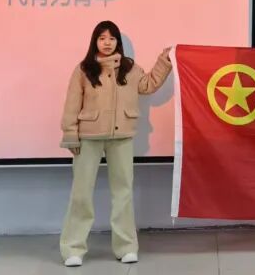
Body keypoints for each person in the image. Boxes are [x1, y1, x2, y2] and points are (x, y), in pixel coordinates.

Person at [59, 20, 172, 267]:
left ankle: (126, 247)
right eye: (102, 38)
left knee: (123, 193)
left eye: (111, 38)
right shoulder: (84, 69)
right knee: (81, 193)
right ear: (95, 42)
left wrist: (164, 61)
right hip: (88, 137)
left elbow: (149, 84)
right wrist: (70, 134)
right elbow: (72, 103)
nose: (107, 43)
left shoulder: (130, 69)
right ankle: (72, 249)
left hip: (122, 137)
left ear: (117, 42)